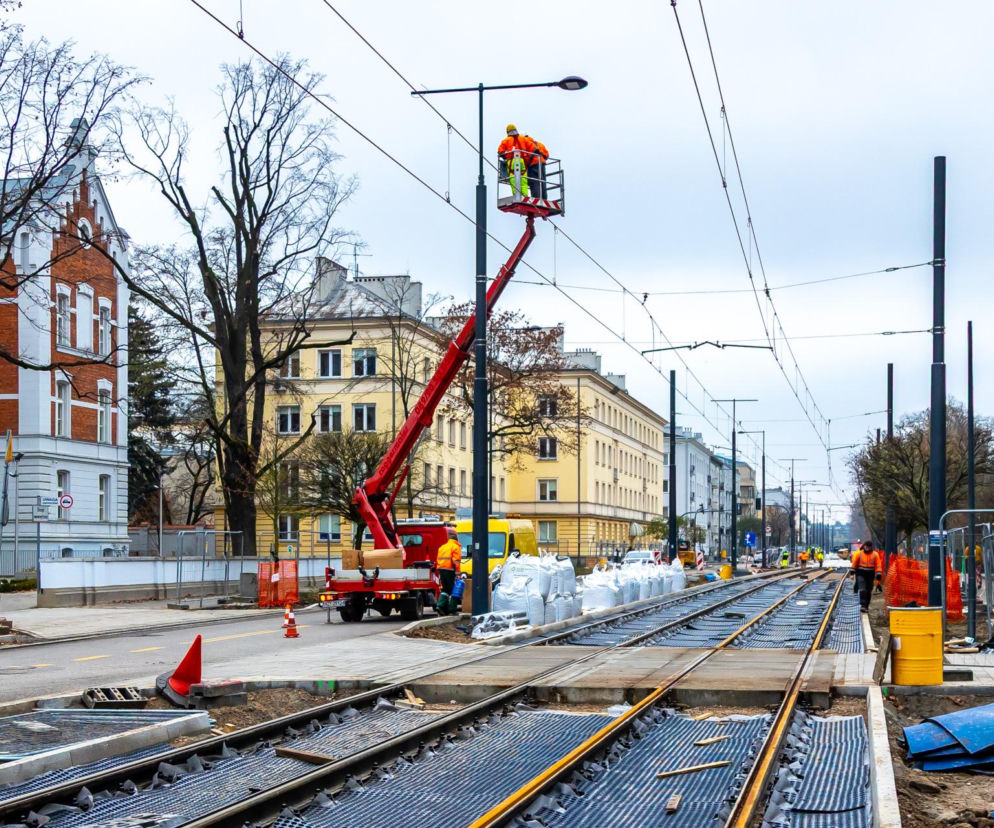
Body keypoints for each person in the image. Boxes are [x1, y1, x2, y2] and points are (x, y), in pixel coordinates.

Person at [498, 124, 536, 197]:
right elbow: (533, 148)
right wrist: (528, 156)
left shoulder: (506, 140)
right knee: (523, 180)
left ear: (508, 132)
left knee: (513, 180)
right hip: (522, 162)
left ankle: (516, 196)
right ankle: (525, 196)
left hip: (512, 162)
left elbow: (500, 151)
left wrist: (505, 156)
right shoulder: (523, 138)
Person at [851, 539, 883, 613]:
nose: (867, 548)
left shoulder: (875, 554)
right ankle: (863, 605)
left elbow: (878, 565)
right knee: (862, 589)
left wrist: (879, 573)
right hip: (861, 573)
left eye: (869, 547)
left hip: (870, 574)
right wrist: (852, 573)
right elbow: (854, 563)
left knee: (868, 590)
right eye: (866, 547)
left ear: (871, 547)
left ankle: (866, 606)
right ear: (864, 546)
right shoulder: (859, 554)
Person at [435, 535, 462, 615]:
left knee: (445, 589)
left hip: (441, 569)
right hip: (450, 570)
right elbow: (456, 561)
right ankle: (452, 610)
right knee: (454, 589)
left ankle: (440, 606)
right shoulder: (455, 547)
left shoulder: (442, 547)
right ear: (456, 540)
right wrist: (458, 573)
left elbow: (438, 559)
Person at [523, 133, 549, 198]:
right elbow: (547, 155)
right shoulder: (539, 144)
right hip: (542, 164)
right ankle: (544, 198)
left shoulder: (525, 144)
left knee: (534, 182)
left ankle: (536, 198)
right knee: (542, 182)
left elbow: (524, 156)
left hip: (533, 165)